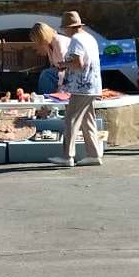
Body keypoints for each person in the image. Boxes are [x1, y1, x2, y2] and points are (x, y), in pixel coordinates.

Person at [48, 11, 105, 168]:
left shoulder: (76, 39)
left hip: (81, 86)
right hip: (93, 85)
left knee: (71, 120)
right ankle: (93, 154)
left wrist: (63, 64)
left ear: (69, 28)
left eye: (64, 28)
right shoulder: (89, 38)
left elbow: (78, 63)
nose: (64, 32)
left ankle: (67, 156)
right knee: (88, 120)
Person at [28, 22, 70, 94]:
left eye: (38, 40)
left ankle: (46, 98)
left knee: (46, 75)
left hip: (70, 72)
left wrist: (60, 86)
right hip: (61, 73)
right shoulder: (48, 45)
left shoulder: (58, 41)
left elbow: (63, 66)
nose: (37, 43)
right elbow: (53, 65)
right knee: (45, 74)